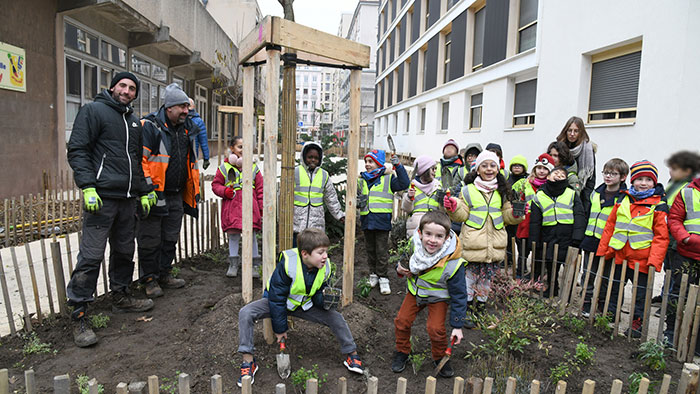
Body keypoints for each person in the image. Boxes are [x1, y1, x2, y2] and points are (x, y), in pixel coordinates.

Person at [66, 71, 156, 347]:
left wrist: (144, 190)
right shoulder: (93, 111)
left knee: (125, 251)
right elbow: (78, 150)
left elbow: (134, 161)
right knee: (91, 257)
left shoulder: (133, 121)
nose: (127, 91)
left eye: (132, 88)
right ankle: (79, 313)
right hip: (102, 198)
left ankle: (120, 297)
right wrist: (88, 186)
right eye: (123, 86)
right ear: (113, 87)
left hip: (127, 200)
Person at [236, 228, 364, 386]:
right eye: (321, 252)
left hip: (304, 304)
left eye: (326, 252)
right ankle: (248, 362)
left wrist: (322, 298)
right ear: (305, 254)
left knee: (336, 317)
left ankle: (352, 354)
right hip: (278, 303)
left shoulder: (325, 267)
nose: (325, 256)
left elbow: (316, 291)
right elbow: (277, 299)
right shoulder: (288, 264)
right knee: (246, 312)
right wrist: (280, 329)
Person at [138, 83, 200, 297]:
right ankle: (149, 279)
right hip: (156, 193)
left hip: (176, 193)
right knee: (150, 238)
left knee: (170, 237)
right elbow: (142, 161)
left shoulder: (186, 129)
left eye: (187, 107)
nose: (186, 111)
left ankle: (164, 273)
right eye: (182, 107)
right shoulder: (151, 126)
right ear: (169, 107)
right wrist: (147, 189)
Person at [597, 160, 669, 338]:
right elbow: (610, 226)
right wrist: (603, 250)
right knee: (614, 287)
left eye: (648, 180)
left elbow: (661, 236)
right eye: (639, 179)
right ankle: (612, 312)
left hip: (642, 259)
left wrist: (654, 261)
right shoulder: (623, 198)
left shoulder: (658, 204)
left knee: (640, 294)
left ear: (654, 183)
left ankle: (638, 322)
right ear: (632, 181)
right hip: (619, 254)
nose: (643, 183)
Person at [443, 150, 523, 311]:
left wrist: (516, 214)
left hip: (494, 245)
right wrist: (453, 207)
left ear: (498, 169)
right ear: (477, 169)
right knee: (470, 279)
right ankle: (465, 308)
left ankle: (480, 308)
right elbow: (462, 214)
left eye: (492, 165)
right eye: (484, 165)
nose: (489, 169)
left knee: (486, 280)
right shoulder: (468, 190)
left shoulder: (503, 191)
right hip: (473, 244)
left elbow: (507, 217)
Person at [392, 211, 468, 378]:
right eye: (428, 234)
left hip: (438, 297)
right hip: (416, 292)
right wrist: (399, 269)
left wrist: (457, 326)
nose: (432, 240)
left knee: (435, 329)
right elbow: (404, 261)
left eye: (439, 236)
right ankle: (402, 352)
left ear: (447, 238)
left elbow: (459, 295)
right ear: (419, 233)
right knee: (402, 322)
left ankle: (440, 357)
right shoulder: (414, 245)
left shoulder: (453, 263)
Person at [580, 158, 629, 317]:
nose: (608, 176)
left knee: (606, 277)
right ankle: (586, 302)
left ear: (623, 177)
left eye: (613, 174)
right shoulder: (596, 193)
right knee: (588, 274)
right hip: (591, 239)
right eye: (606, 173)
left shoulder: (623, 198)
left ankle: (602, 304)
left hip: (608, 243)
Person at [358, 149, 410, 295]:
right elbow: (356, 197)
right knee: (370, 250)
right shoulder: (361, 180)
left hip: (381, 222)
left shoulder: (388, 179)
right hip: (367, 220)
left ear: (379, 163)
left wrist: (398, 166)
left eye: (371, 162)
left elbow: (405, 183)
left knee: (381, 251)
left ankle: (383, 278)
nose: (367, 164)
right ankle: (373, 274)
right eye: (366, 161)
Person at [651, 151, 700, 305]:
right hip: (668, 231)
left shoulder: (687, 188)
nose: (671, 171)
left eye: (675, 168)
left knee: (674, 269)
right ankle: (664, 294)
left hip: (678, 236)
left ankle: (668, 297)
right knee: (669, 267)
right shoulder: (673, 184)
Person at [211, 136, 264, 277]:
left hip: (250, 209)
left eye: (246, 147)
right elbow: (215, 185)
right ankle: (233, 263)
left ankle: (254, 264)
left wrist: (261, 208)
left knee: (251, 236)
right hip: (232, 210)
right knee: (233, 236)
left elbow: (260, 189)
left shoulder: (253, 168)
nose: (243, 150)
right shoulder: (224, 168)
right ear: (232, 148)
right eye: (240, 147)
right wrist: (225, 192)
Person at [529, 167, 586, 296]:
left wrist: (577, 237)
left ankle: (567, 293)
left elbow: (579, 215)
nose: (559, 175)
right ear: (548, 177)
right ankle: (552, 288)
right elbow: (535, 221)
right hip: (549, 234)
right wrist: (534, 241)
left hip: (568, 234)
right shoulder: (539, 195)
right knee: (551, 263)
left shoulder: (571, 193)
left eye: (562, 175)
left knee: (569, 264)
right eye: (556, 173)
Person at [667, 173, 700, 351]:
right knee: (679, 292)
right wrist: (684, 238)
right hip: (686, 252)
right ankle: (671, 332)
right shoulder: (687, 192)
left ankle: (696, 341)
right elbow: (674, 218)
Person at [293, 141, 345, 244]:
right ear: (303, 157)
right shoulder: (296, 172)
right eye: (310, 157)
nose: (313, 160)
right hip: (297, 222)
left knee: (312, 251)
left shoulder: (324, 175)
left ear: (320, 159)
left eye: (316, 158)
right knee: (296, 250)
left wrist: (339, 215)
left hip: (316, 223)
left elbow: (331, 197)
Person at [512, 154, 554, 278]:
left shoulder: (551, 186)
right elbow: (519, 198)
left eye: (545, 169)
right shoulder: (526, 183)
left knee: (538, 251)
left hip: (542, 222)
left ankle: (536, 275)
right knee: (523, 250)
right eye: (539, 168)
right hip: (526, 221)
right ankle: (520, 272)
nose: (541, 171)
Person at [556, 117, 596, 211]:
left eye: (576, 131)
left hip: (581, 193)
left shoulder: (588, 150)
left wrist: (584, 201)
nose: (572, 134)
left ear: (581, 132)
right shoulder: (558, 147)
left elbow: (590, 178)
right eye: (570, 130)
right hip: (560, 190)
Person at [402, 156, 440, 238]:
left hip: (434, 228)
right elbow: (406, 209)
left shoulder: (438, 186)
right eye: (433, 169)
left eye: (435, 169)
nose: (435, 172)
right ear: (425, 170)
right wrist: (409, 198)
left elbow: (442, 210)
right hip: (415, 230)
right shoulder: (412, 186)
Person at [505, 155, 528, 271]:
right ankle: (509, 260)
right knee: (509, 238)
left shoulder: (527, 180)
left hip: (521, 214)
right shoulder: (508, 180)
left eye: (519, 166)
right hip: (509, 212)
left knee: (520, 241)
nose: (517, 168)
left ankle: (521, 265)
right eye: (514, 166)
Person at [187, 98, 210, 170]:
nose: (187, 108)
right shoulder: (179, 119)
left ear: (193, 107)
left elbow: (203, 141)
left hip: (192, 155)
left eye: (189, 105)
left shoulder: (198, 121)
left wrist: (206, 158)